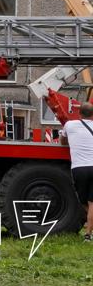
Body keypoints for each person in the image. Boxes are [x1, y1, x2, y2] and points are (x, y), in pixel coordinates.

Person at [60, 102, 93, 242]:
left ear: (79, 113)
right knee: (92, 203)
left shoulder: (70, 125)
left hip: (79, 168)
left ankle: (88, 234)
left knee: (84, 201)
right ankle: (88, 235)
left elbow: (62, 141)